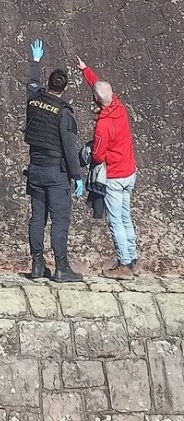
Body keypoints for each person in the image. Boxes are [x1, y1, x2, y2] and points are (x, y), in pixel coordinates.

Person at [23, 39, 83, 283]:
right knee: (59, 220)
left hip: (35, 170)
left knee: (37, 218)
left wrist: (36, 61)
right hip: (56, 174)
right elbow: (69, 148)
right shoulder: (63, 112)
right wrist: (77, 176)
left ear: (48, 84)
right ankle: (61, 268)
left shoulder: (34, 100)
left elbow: (31, 84)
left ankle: (37, 265)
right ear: (65, 88)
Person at [77, 56, 139, 279]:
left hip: (114, 176)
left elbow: (98, 154)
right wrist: (86, 70)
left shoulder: (103, 125)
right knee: (126, 217)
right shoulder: (119, 107)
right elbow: (101, 89)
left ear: (95, 99)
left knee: (116, 221)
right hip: (129, 172)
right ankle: (132, 259)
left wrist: (88, 152)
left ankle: (123, 264)